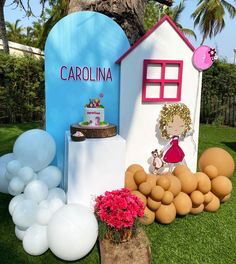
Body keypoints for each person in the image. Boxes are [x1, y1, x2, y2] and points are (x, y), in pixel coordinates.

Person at [159, 103, 192, 171]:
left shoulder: (178, 136)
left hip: (177, 150)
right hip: (173, 150)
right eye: (170, 127)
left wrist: (190, 133)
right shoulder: (172, 139)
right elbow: (168, 145)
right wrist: (162, 150)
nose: (176, 129)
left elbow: (185, 135)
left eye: (181, 126)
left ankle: (187, 169)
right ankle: (170, 172)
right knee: (171, 162)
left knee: (181, 159)